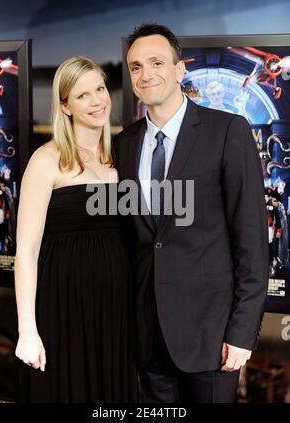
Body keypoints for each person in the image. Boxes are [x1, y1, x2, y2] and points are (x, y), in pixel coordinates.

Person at [113, 23, 268, 403]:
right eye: (135, 67)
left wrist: (242, 333)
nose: (146, 74)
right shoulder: (125, 144)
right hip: (149, 337)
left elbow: (251, 241)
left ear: (180, 70)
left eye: (156, 62)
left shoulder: (228, 131)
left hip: (211, 338)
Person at [15, 56, 137, 402]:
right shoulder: (46, 160)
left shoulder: (122, 158)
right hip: (61, 308)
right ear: (65, 105)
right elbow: (25, 251)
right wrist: (27, 330)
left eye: (100, 88)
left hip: (115, 311)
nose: (97, 100)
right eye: (83, 95)